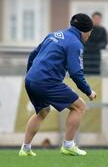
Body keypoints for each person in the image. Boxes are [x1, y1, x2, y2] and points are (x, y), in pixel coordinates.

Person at [19, 13, 97, 156]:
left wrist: (30, 74)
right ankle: (68, 145)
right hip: (46, 81)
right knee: (79, 107)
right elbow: (75, 72)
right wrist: (88, 91)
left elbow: (33, 54)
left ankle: (25, 148)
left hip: (31, 79)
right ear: (85, 31)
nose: (89, 36)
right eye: (90, 33)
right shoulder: (75, 43)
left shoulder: (53, 35)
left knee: (42, 112)